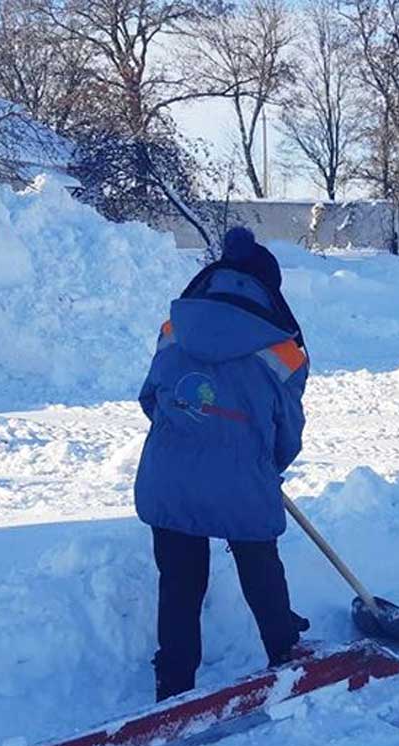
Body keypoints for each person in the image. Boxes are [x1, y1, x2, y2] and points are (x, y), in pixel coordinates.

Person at [135, 227, 310, 701]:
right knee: (259, 562)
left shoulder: (174, 329)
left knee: (180, 579)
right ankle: (284, 652)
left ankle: (173, 681)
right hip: (241, 477)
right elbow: (287, 435)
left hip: (167, 477)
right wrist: (259, 463)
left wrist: (191, 429)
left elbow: (151, 398)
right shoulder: (283, 352)